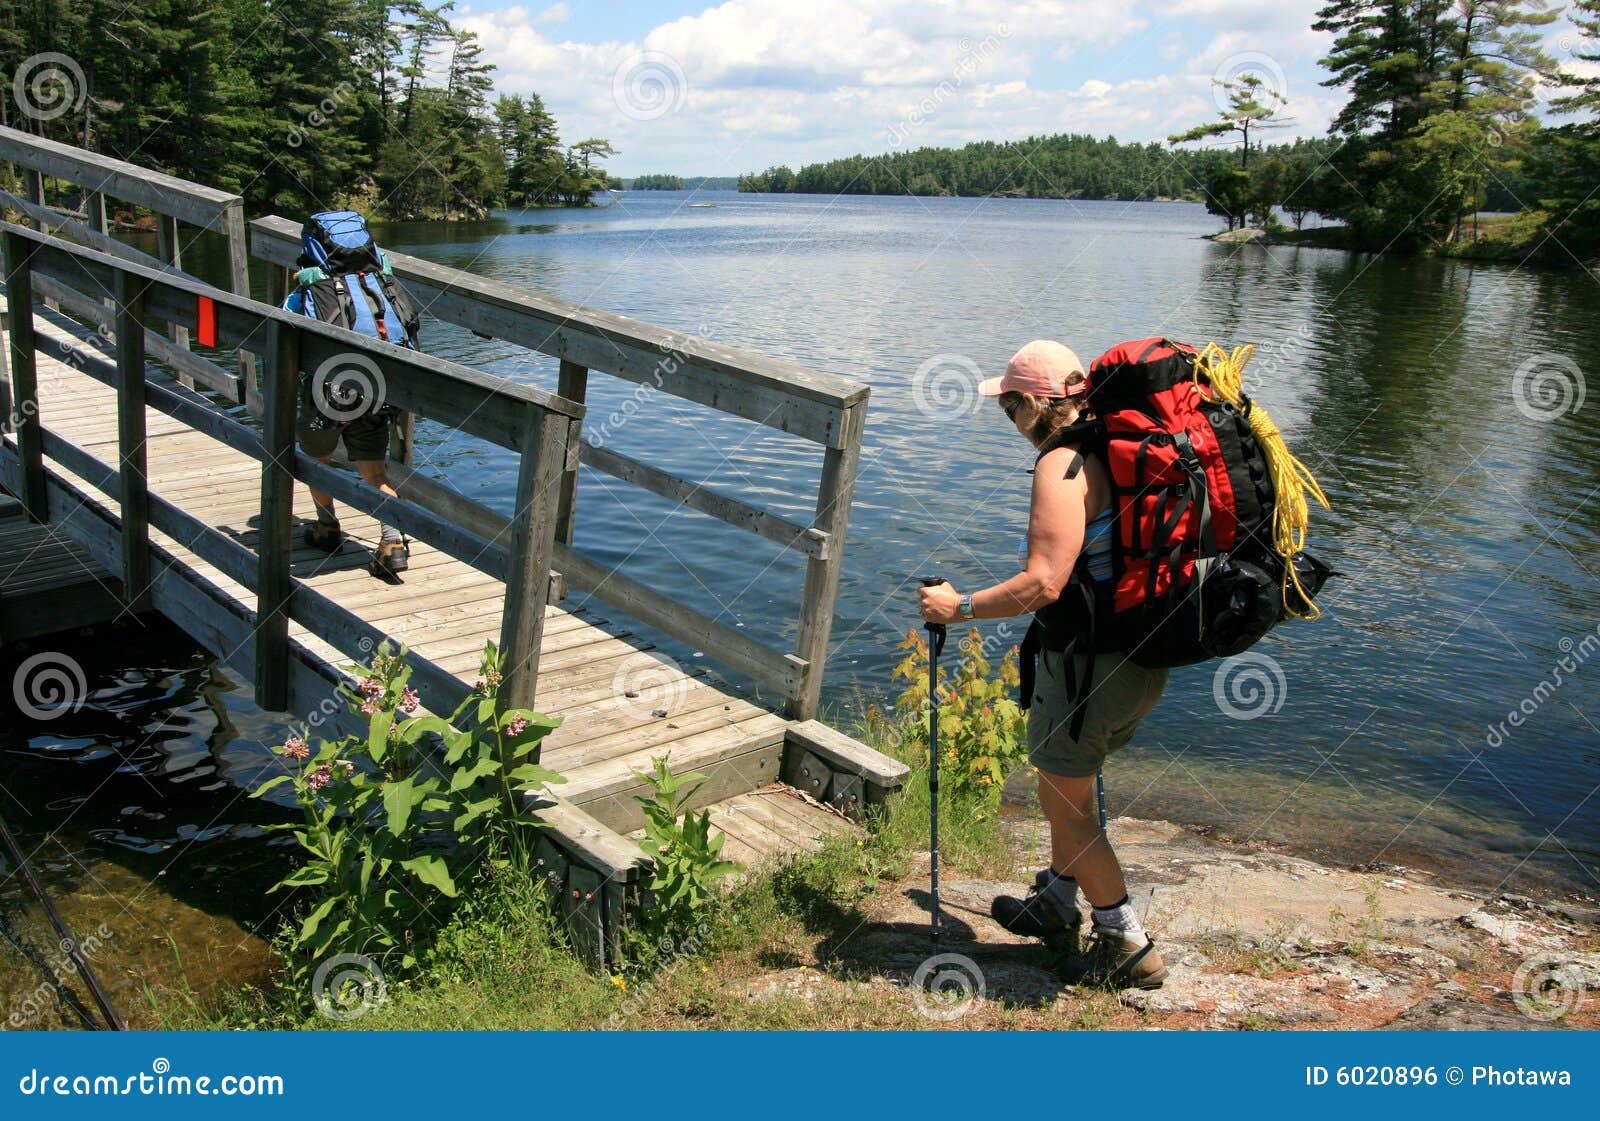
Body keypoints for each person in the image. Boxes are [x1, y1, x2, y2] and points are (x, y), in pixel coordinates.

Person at [917, 339, 1169, 991]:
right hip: (1142, 657)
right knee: (1071, 790)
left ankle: (1127, 942)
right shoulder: (1118, 448)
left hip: (1089, 667)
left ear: (1033, 403)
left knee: (1066, 804)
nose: (1009, 420)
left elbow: (1043, 584)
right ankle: (1057, 899)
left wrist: (958, 606)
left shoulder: (1063, 462)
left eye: (1010, 408)